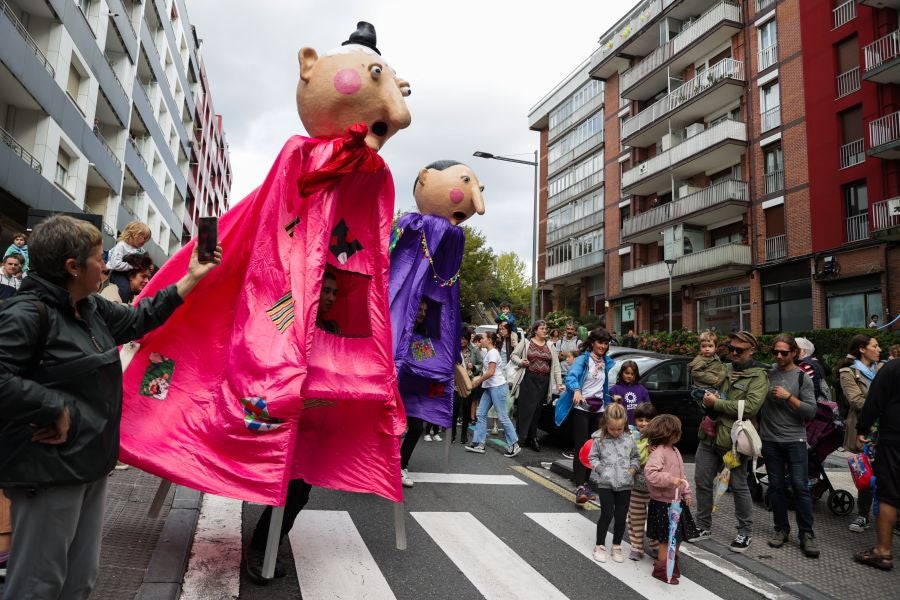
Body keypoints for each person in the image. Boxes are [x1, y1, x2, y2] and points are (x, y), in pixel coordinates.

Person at [0, 215, 220, 599]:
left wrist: (192, 277)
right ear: (73, 267)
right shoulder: (27, 314)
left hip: (91, 465)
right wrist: (52, 406)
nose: (107, 265)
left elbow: (139, 319)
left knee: (79, 582)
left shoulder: (90, 308)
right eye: (100, 258)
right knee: (38, 586)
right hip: (48, 473)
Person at [245, 270, 345, 579]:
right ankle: (262, 547)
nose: (329, 297)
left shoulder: (333, 327)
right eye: (325, 290)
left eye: (334, 292)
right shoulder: (287, 314)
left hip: (310, 423)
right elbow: (263, 351)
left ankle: (268, 542)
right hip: (276, 413)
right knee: (279, 483)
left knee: (300, 490)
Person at [690, 331, 768, 553]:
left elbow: (750, 407)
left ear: (752, 350)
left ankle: (745, 532)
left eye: (739, 350)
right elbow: (707, 392)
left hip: (734, 441)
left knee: (739, 486)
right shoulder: (725, 368)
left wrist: (717, 404)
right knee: (702, 481)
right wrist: (706, 403)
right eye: (731, 349)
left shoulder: (759, 376)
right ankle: (703, 526)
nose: (733, 353)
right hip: (709, 435)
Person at [761, 334, 819, 558]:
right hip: (770, 440)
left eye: (784, 352)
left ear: (794, 353)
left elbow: (810, 410)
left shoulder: (802, 377)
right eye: (775, 352)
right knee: (775, 487)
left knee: (800, 487)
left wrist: (788, 397)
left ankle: (806, 534)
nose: (778, 356)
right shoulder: (767, 374)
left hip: (795, 440)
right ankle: (781, 529)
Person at [557, 327, 615, 504]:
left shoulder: (606, 362)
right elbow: (571, 377)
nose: (603, 346)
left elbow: (604, 388)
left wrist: (611, 400)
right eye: (600, 342)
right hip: (582, 409)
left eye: (605, 343)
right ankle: (580, 486)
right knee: (582, 447)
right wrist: (576, 390)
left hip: (598, 411)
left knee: (593, 449)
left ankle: (585, 484)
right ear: (592, 343)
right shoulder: (583, 359)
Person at [854, 357, 900, 571]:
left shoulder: (893, 367)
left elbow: (874, 400)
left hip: (894, 439)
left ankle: (883, 551)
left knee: (888, 494)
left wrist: (863, 429)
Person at [836, 333, 883, 533]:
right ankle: (863, 514)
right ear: (862, 349)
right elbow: (856, 401)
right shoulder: (849, 372)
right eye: (875, 346)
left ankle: (890, 514)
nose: (879, 349)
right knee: (868, 474)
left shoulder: (884, 368)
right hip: (866, 430)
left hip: (889, 428)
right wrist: (886, 404)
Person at [644, 414, 699, 584]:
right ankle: (662, 569)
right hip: (663, 503)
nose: (679, 435)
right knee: (666, 539)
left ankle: (672, 565)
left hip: (676, 502)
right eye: (677, 432)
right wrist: (670, 479)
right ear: (669, 434)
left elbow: (681, 477)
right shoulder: (658, 453)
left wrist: (686, 493)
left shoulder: (675, 451)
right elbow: (651, 474)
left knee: (678, 536)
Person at [588, 402, 639, 563]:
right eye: (612, 429)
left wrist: (632, 470)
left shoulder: (629, 438)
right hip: (606, 483)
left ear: (624, 424)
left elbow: (636, 457)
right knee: (607, 514)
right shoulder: (598, 439)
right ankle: (600, 545)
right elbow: (592, 457)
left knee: (621, 515)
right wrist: (601, 470)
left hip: (625, 483)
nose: (616, 432)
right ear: (605, 424)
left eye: (619, 428)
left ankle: (616, 545)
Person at [508, 320, 564, 452]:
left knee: (537, 410)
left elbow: (555, 366)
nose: (545, 330)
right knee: (525, 409)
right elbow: (513, 355)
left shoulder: (550, 345)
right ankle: (521, 437)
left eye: (546, 328)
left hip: (543, 382)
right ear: (535, 330)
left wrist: (559, 383)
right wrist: (521, 362)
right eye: (542, 328)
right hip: (528, 379)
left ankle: (533, 438)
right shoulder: (526, 342)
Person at [465, 332, 520, 457]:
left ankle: (514, 444)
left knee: (502, 417)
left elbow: (490, 372)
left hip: (497, 387)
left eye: (483, 338)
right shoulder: (490, 352)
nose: (481, 339)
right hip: (490, 387)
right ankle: (479, 443)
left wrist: (477, 381)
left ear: (489, 340)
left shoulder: (493, 353)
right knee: (480, 413)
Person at [627, 402, 659, 561]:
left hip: (655, 489)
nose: (644, 424)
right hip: (635, 486)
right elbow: (631, 457)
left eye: (648, 420)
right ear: (635, 420)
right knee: (635, 517)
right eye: (640, 420)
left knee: (655, 516)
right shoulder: (631, 436)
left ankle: (655, 545)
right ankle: (637, 546)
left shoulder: (658, 439)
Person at [689, 330, 728, 438]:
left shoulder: (715, 358)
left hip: (710, 387)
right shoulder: (700, 360)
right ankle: (709, 422)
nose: (707, 349)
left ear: (715, 347)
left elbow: (720, 369)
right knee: (722, 401)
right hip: (701, 389)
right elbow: (695, 372)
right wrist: (713, 379)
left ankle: (710, 421)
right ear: (700, 347)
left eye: (710, 346)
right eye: (703, 346)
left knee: (722, 400)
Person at [451, 327, 482, 444]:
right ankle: (452, 433)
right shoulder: (454, 348)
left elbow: (481, 364)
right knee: (455, 407)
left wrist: (473, 367)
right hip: (456, 384)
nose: (461, 341)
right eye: (460, 338)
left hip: (469, 383)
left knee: (466, 409)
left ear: (468, 339)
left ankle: (464, 434)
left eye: (464, 338)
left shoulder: (474, 350)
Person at [608, 359, 651, 427]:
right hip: (621, 426)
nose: (629, 376)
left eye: (632, 374)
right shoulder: (614, 390)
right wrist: (616, 403)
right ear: (621, 373)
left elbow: (648, 410)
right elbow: (609, 412)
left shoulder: (642, 389)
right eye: (627, 373)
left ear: (636, 375)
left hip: (639, 427)